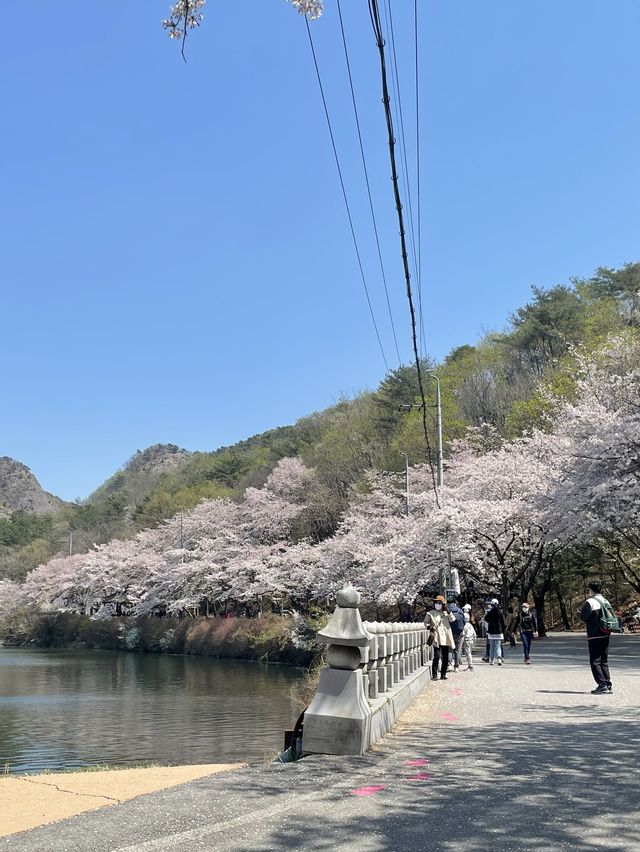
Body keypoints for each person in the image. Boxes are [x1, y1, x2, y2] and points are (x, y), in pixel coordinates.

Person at [579, 581, 614, 695]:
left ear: (591, 590)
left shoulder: (590, 602)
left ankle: (602, 684)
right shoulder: (605, 601)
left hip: (594, 634)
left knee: (595, 660)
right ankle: (608, 684)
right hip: (606, 633)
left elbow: (583, 617)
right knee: (604, 660)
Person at [424, 594, 456, 680]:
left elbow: (453, 620)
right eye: (436, 603)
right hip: (436, 636)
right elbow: (425, 623)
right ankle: (434, 675)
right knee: (437, 656)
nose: (437, 604)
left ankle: (443, 674)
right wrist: (430, 627)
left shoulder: (446, 613)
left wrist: (449, 613)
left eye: (439, 603)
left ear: (443, 604)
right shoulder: (430, 613)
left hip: (445, 636)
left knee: (445, 656)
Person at [485, 598, 506, 666]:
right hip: (498, 631)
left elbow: (486, 619)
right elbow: (503, 622)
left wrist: (490, 623)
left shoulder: (490, 612)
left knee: (492, 646)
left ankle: (492, 660)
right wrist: (503, 629)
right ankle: (499, 659)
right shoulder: (500, 612)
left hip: (491, 631)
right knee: (498, 646)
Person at [448, 597, 465, 672]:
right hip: (460, 633)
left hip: (450, 632)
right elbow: (464, 621)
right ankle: (456, 667)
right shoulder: (460, 610)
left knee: (450, 650)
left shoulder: (447, 610)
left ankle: (449, 665)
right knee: (457, 650)